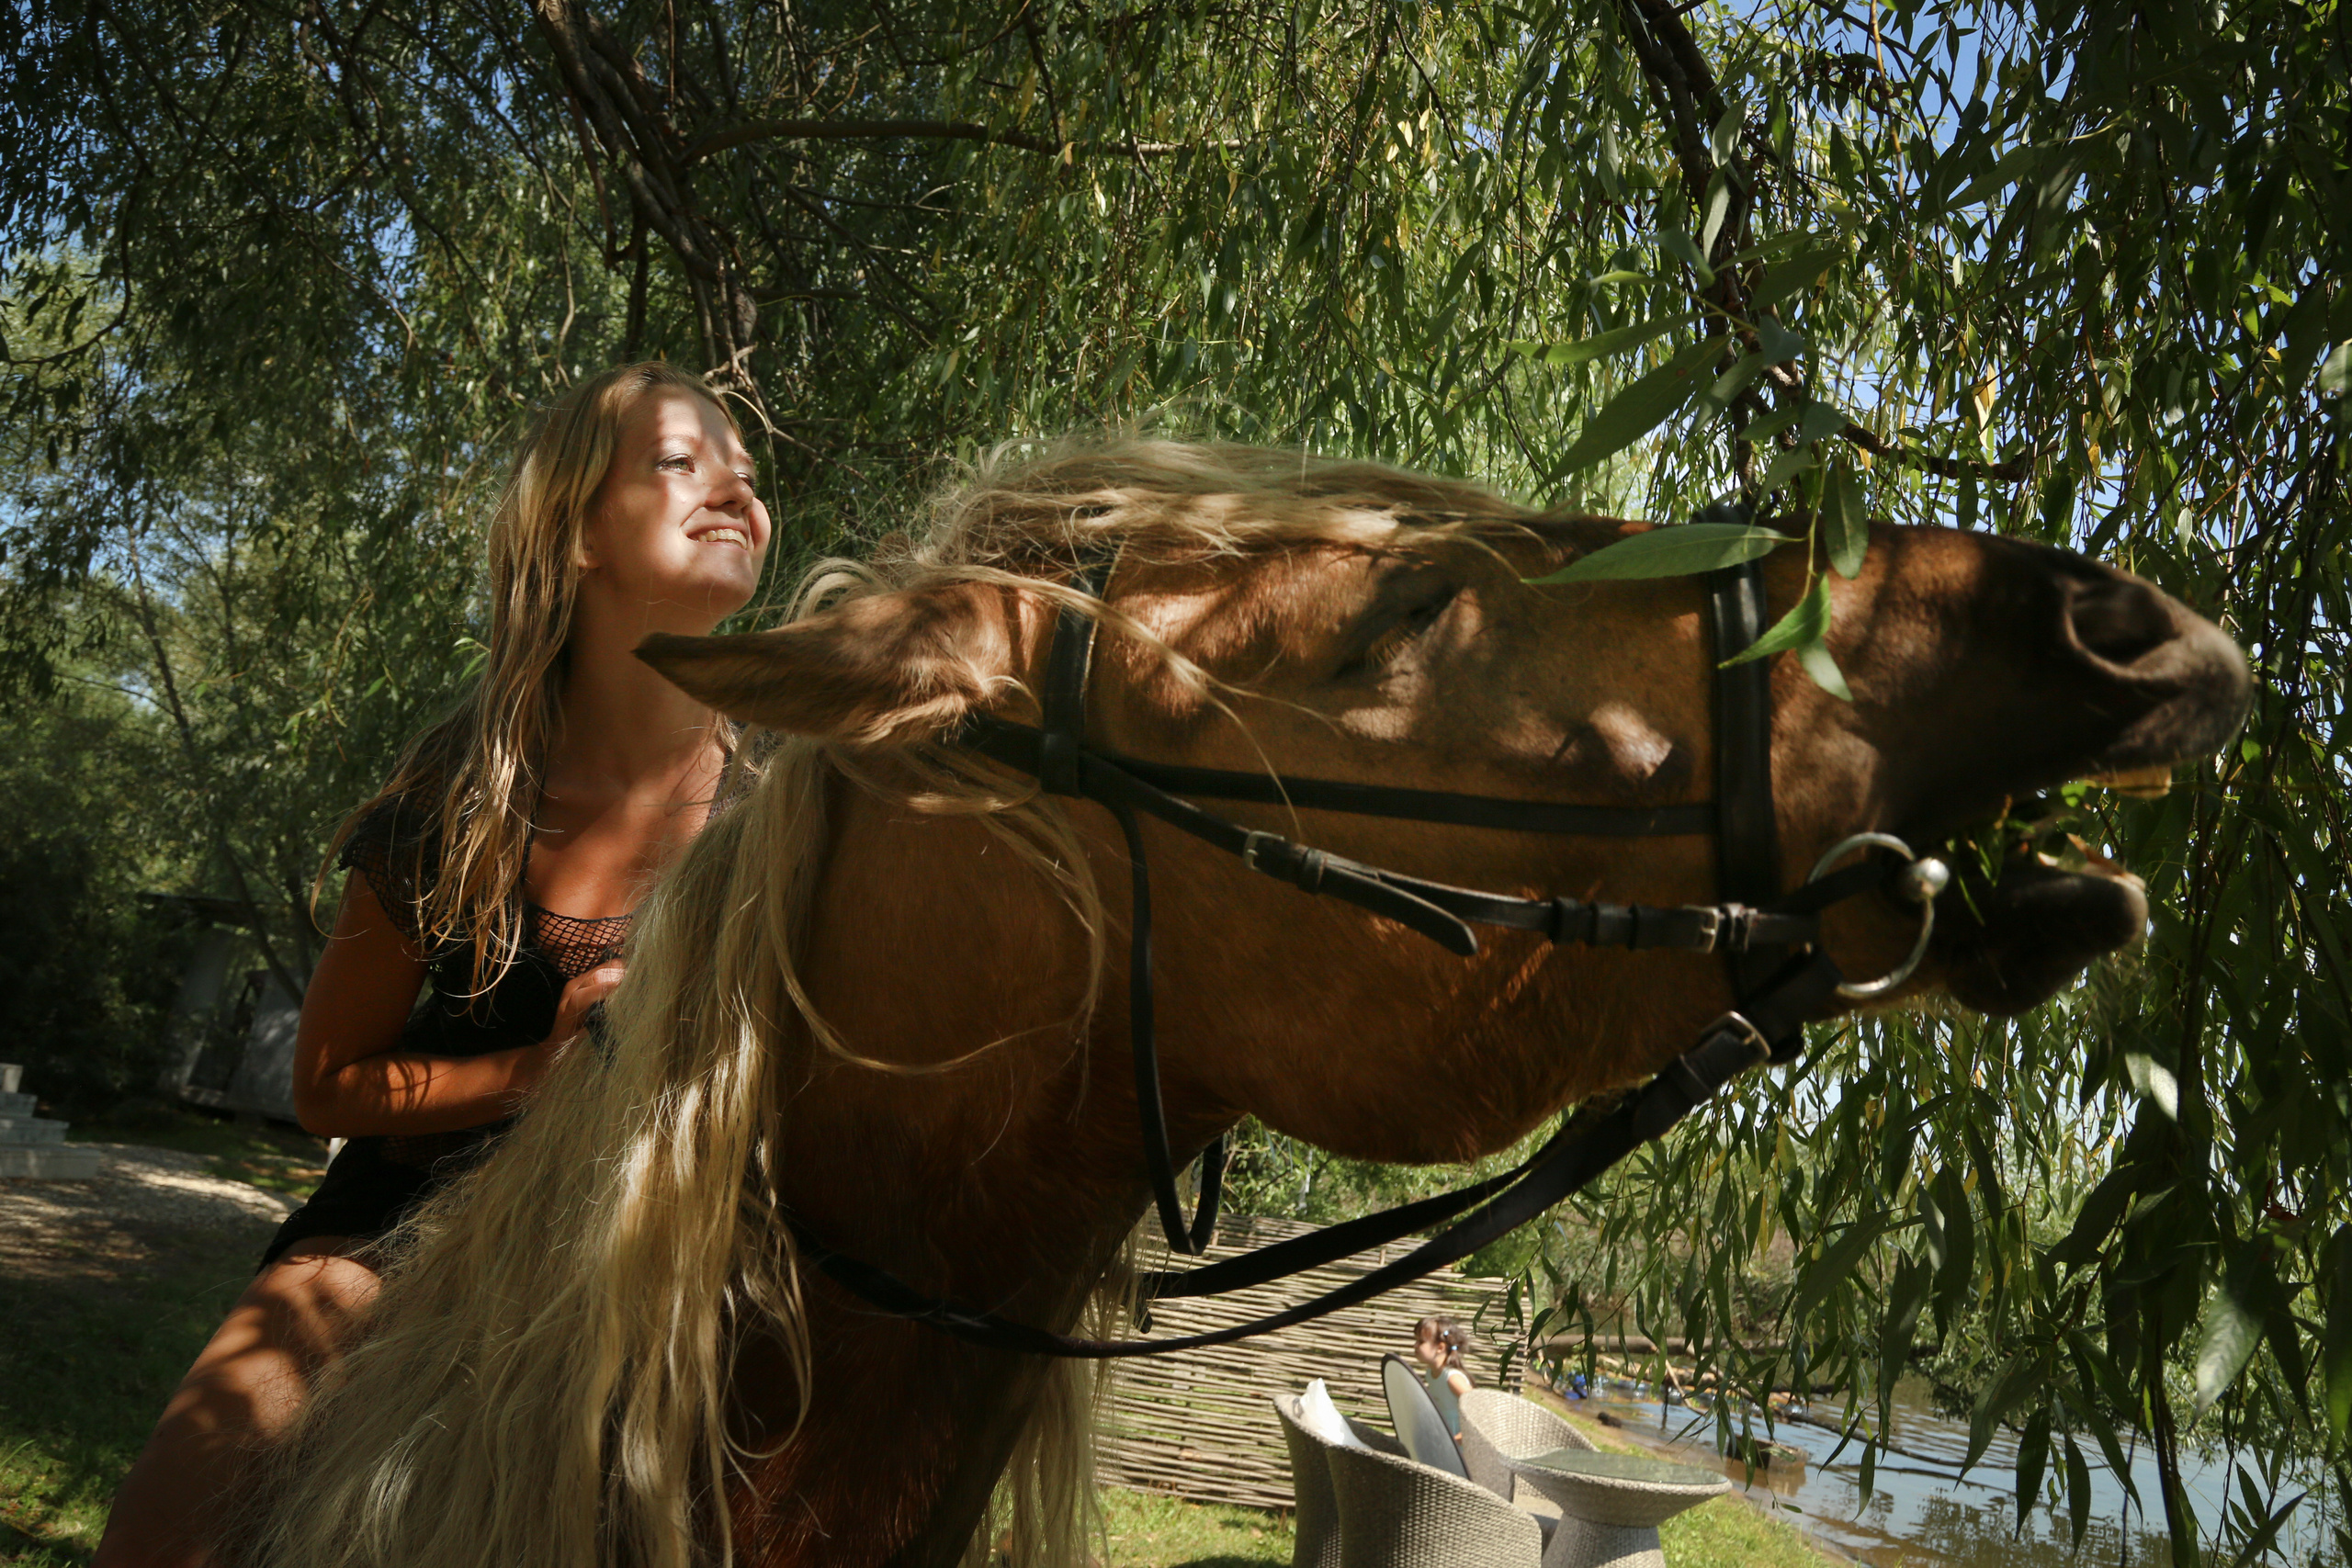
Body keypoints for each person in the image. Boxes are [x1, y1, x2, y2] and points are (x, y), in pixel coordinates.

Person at [94, 362, 774, 1568]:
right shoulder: (456, 798)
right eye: (680, 460)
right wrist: (532, 1069)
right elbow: (326, 1085)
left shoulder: (787, 813)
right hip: (395, 1235)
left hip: (665, 1270)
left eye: (747, 470)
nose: (733, 483)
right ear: (575, 533)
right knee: (166, 1528)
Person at [1413, 1314, 1476, 1440]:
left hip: (1461, 1447)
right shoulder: (1431, 1375)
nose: (1415, 1345)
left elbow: (1479, 1407)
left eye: (1420, 1341)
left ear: (1440, 1348)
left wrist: (1460, 1438)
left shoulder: (1452, 1379)